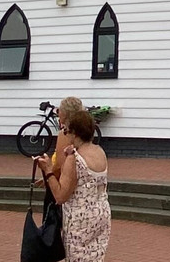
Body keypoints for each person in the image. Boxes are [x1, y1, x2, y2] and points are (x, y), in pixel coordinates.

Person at [37, 110, 110, 262]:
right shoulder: (99, 151)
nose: (65, 134)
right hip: (100, 215)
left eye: (66, 131)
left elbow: (60, 196)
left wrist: (48, 171)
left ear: (75, 133)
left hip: (79, 221)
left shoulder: (74, 159)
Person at [52, 96, 86, 177]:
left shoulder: (65, 134)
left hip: (65, 181)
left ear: (65, 114)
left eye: (59, 110)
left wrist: (49, 177)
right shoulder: (84, 132)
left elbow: (59, 165)